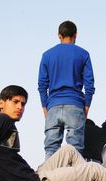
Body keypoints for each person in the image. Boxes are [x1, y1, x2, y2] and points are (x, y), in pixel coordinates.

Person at [38, 20, 95, 160]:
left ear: (59, 35)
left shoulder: (47, 55)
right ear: (76, 34)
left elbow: (42, 85)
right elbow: (89, 84)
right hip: (75, 104)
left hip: (53, 105)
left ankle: (49, 179)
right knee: (75, 151)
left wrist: (45, 106)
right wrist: (86, 106)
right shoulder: (83, 54)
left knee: (51, 149)